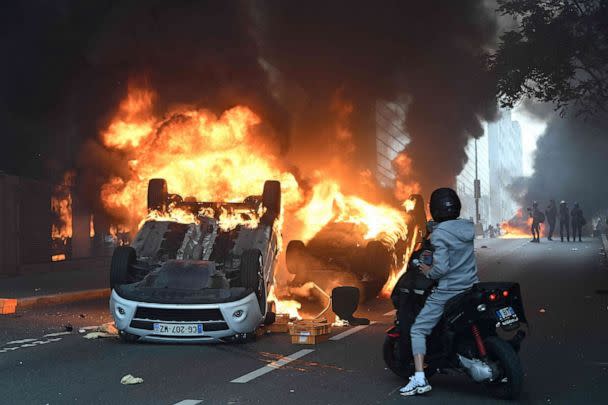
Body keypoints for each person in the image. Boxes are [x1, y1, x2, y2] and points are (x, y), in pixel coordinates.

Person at [399, 188, 479, 397]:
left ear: (434, 209)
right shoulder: (467, 227)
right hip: (470, 286)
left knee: (417, 330)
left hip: (448, 291)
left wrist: (428, 271)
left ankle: (419, 378)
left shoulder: (441, 233)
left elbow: (441, 268)